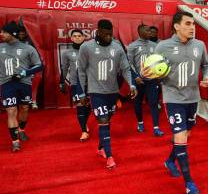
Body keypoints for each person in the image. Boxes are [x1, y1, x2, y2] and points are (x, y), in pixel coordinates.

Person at [151, 11, 208, 194]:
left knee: (186, 135)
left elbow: (206, 65)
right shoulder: (163, 46)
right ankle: (189, 182)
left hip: (193, 98)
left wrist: (207, 76)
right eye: (187, 24)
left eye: (193, 24)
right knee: (180, 136)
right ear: (176, 26)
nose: (192, 27)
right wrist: (152, 74)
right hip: (173, 97)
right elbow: (153, 69)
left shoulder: (200, 45)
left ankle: (170, 160)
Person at [78, 19, 136, 169]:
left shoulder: (117, 48)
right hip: (96, 92)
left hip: (112, 92)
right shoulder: (86, 47)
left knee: (107, 122)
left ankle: (100, 148)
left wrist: (131, 84)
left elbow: (125, 69)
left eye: (111, 33)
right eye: (106, 33)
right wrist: (82, 93)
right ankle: (110, 157)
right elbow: (81, 71)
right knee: (103, 120)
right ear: (98, 31)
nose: (109, 36)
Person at [0, 21, 44, 152]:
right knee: (11, 111)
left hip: (24, 83)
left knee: (24, 108)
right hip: (6, 84)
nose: (1, 34)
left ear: (12, 34)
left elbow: (39, 65)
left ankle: (21, 129)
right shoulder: (0, 47)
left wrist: (25, 73)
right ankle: (15, 141)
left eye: (4, 32)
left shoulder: (28, 48)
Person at [127, 24, 163, 136]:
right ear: (140, 32)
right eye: (147, 31)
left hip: (152, 79)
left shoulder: (155, 45)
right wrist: (136, 77)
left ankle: (156, 128)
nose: (150, 32)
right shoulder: (132, 46)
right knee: (138, 102)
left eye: (150, 31)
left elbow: (159, 61)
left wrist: (158, 75)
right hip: (138, 80)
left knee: (153, 103)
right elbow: (129, 63)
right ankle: (140, 123)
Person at [60, 29, 90, 141]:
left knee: (88, 107)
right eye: (75, 36)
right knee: (80, 107)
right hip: (76, 83)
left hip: (90, 83)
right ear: (71, 38)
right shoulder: (67, 53)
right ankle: (83, 131)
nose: (77, 38)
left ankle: (84, 123)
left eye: (79, 36)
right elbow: (64, 68)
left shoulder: (88, 51)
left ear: (83, 38)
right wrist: (61, 82)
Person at [17, 25, 42, 110]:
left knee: (35, 82)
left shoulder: (31, 41)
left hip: (31, 66)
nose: (21, 34)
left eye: (23, 32)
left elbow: (37, 55)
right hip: (18, 66)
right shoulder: (13, 42)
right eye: (20, 33)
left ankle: (33, 101)